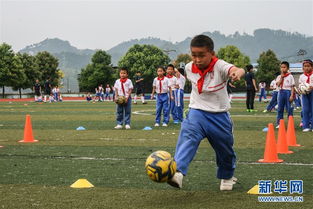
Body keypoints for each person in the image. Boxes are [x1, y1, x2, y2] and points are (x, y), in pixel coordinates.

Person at [167, 35, 245, 191]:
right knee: (188, 136)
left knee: (225, 150)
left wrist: (238, 73)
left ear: (212, 53)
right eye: (194, 55)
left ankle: (227, 176)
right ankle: (177, 172)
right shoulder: (189, 68)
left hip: (219, 115)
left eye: (201, 55)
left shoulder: (220, 66)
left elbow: (237, 69)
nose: (197, 59)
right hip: (197, 112)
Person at [275, 61, 295, 128]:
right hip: (281, 92)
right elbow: (277, 84)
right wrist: (282, 77)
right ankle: (279, 123)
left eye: (284, 67)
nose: (282, 69)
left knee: (289, 108)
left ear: (287, 68)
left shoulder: (290, 76)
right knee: (280, 108)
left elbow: (292, 86)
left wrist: (292, 95)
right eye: (281, 67)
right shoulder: (279, 76)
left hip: (288, 92)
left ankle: (290, 123)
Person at [298, 59, 313, 132]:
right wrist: (301, 88)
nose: (307, 68)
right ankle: (306, 126)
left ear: (312, 67)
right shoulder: (301, 76)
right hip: (304, 94)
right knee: (305, 110)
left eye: (308, 66)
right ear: (303, 68)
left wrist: (311, 87)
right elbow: (300, 85)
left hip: (312, 93)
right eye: (305, 66)